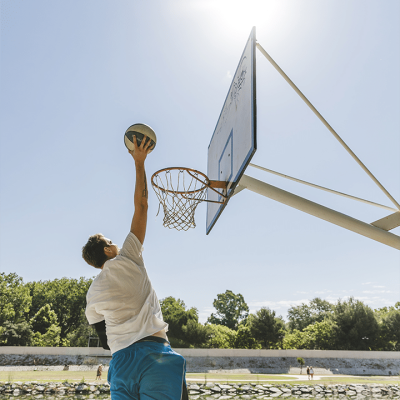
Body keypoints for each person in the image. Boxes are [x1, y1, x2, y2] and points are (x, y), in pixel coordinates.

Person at [82, 135, 188, 400]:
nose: (115, 242)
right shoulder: (127, 257)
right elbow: (141, 206)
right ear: (108, 251)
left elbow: (104, 338)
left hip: (120, 364)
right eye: (110, 241)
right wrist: (139, 162)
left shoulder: (93, 293)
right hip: (154, 357)